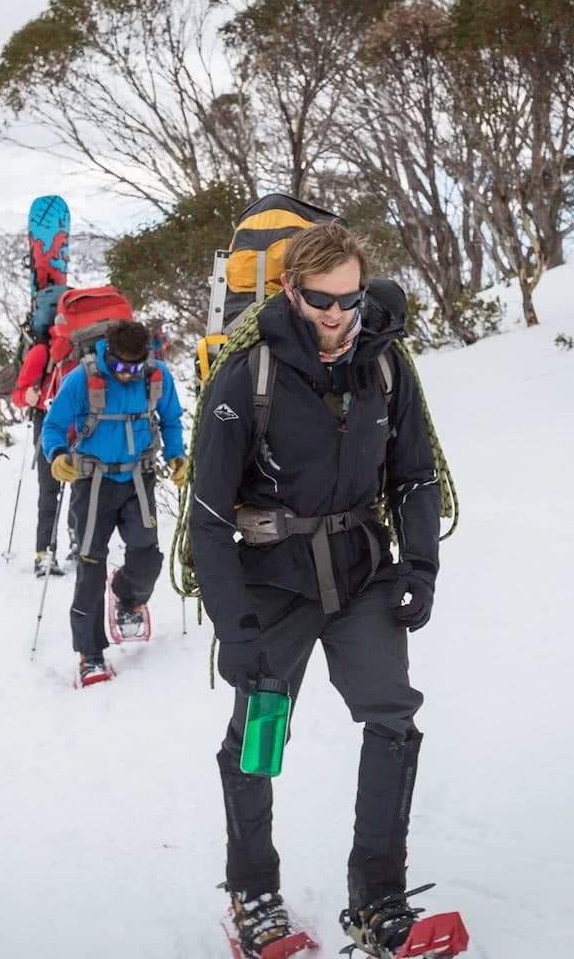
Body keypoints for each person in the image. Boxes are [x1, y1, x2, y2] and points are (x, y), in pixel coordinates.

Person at [188, 222, 443, 958]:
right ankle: (253, 893)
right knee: (259, 734)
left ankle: (378, 900)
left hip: (362, 570)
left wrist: (420, 566)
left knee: (392, 720)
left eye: (349, 298)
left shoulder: (385, 364)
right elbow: (209, 517)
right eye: (320, 299)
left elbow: (415, 475)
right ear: (290, 290)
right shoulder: (249, 375)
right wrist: (236, 629)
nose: (336, 314)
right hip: (275, 578)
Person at [41, 319, 187, 685]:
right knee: (90, 564)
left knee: (147, 558)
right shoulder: (82, 379)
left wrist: (177, 455)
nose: (127, 374)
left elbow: (171, 419)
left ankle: (127, 598)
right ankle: (89, 653)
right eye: (121, 366)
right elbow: (53, 426)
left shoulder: (156, 376)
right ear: (108, 352)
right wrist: (57, 455)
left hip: (138, 479)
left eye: (135, 367)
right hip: (93, 482)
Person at [10, 330, 67, 577]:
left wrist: (26, 397)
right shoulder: (43, 351)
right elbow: (18, 394)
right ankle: (50, 551)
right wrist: (27, 396)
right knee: (55, 490)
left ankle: (50, 552)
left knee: (60, 490)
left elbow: (18, 395)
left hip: (64, 421)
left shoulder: (86, 345)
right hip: (54, 421)